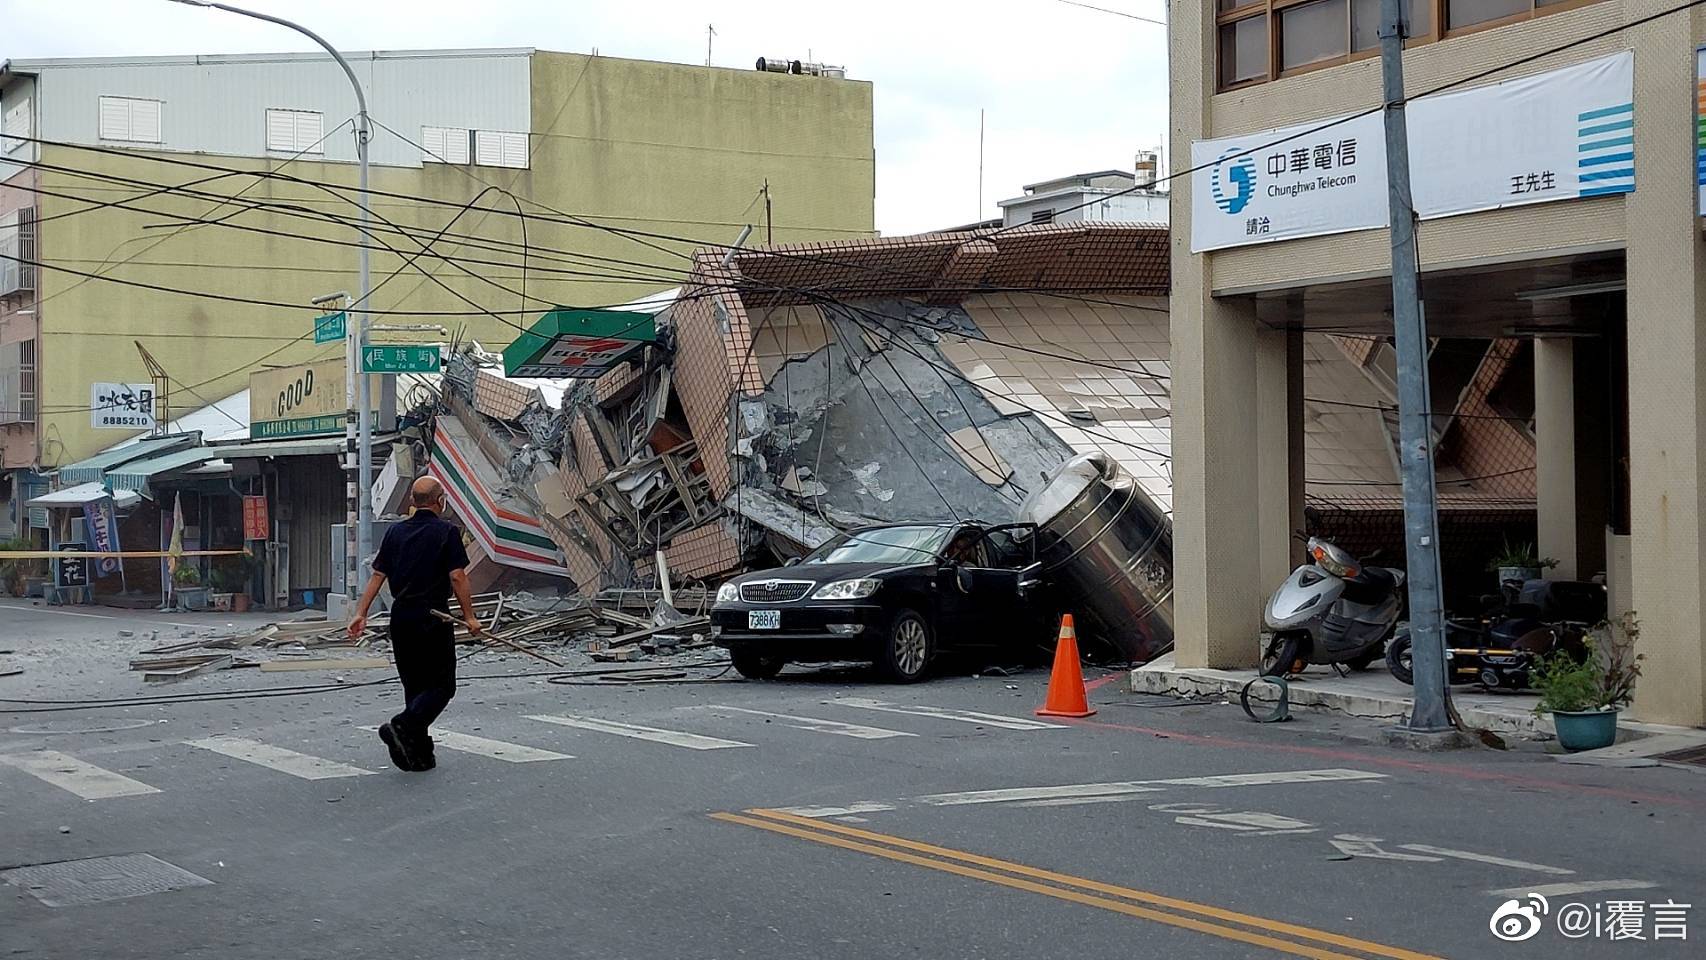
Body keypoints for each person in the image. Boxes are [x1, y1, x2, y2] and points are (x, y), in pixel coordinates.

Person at [348, 477, 482, 772]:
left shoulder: (396, 532)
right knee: (442, 686)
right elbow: (458, 576)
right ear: (440, 500)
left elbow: (377, 576)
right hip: (432, 617)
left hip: (402, 617)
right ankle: (402, 725)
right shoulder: (447, 532)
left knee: (415, 686)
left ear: (412, 501)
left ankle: (418, 754)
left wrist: (361, 612)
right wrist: (470, 617)